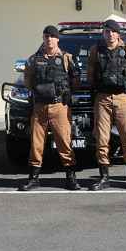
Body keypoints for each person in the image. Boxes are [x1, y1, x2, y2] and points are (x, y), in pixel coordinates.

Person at [19, 25, 82, 191]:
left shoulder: (67, 58)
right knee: (36, 143)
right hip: (39, 107)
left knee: (65, 142)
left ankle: (71, 178)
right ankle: (33, 178)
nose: (49, 39)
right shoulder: (33, 59)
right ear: (43, 38)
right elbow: (27, 82)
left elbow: (75, 83)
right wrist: (41, 94)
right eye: (46, 36)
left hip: (60, 106)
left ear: (57, 39)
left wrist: (60, 95)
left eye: (52, 37)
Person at [86, 19, 126, 191]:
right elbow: (90, 76)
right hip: (102, 98)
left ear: (118, 33)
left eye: (113, 31)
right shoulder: (95, 50)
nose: (110, 34)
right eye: (107, 31)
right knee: (102, 138)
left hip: (122, 98)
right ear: (103, 33)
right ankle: (104, 177)